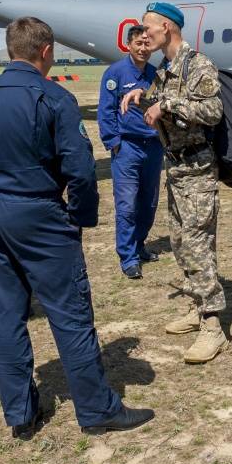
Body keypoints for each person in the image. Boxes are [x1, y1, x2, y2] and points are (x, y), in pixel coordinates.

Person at [0, 17, 152, 439]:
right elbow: (81, 171)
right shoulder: (53, 97)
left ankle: (20, 413)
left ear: (11, 49)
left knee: (8, 315)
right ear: (46, 52)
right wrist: (79, 218)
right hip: (36, 212)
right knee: (70, 312)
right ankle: (97, 409)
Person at [120, 2, 227, 364]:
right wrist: (144, 98)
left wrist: (164, 105)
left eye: (148, 28)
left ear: (167, 28)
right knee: (181, 242)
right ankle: (198, 308)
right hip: (177, 168)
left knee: (197, 244)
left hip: (198, 169)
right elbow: (166, 103)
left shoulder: (198, 64)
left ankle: (213, 326)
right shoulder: (164, 70)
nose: (143, 34)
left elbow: (212, 112)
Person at [97, 24, 163, 279]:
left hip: (153, 147)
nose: (143, 48)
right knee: (127, 205)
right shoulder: (115, 73)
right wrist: (114, 142)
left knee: (149, 202)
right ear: (129, 45)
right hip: (127, 148)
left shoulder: (154, 75)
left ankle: (139, 244)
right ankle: (128, 257)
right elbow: (106, 111)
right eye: (139, 43)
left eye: (147, 44)